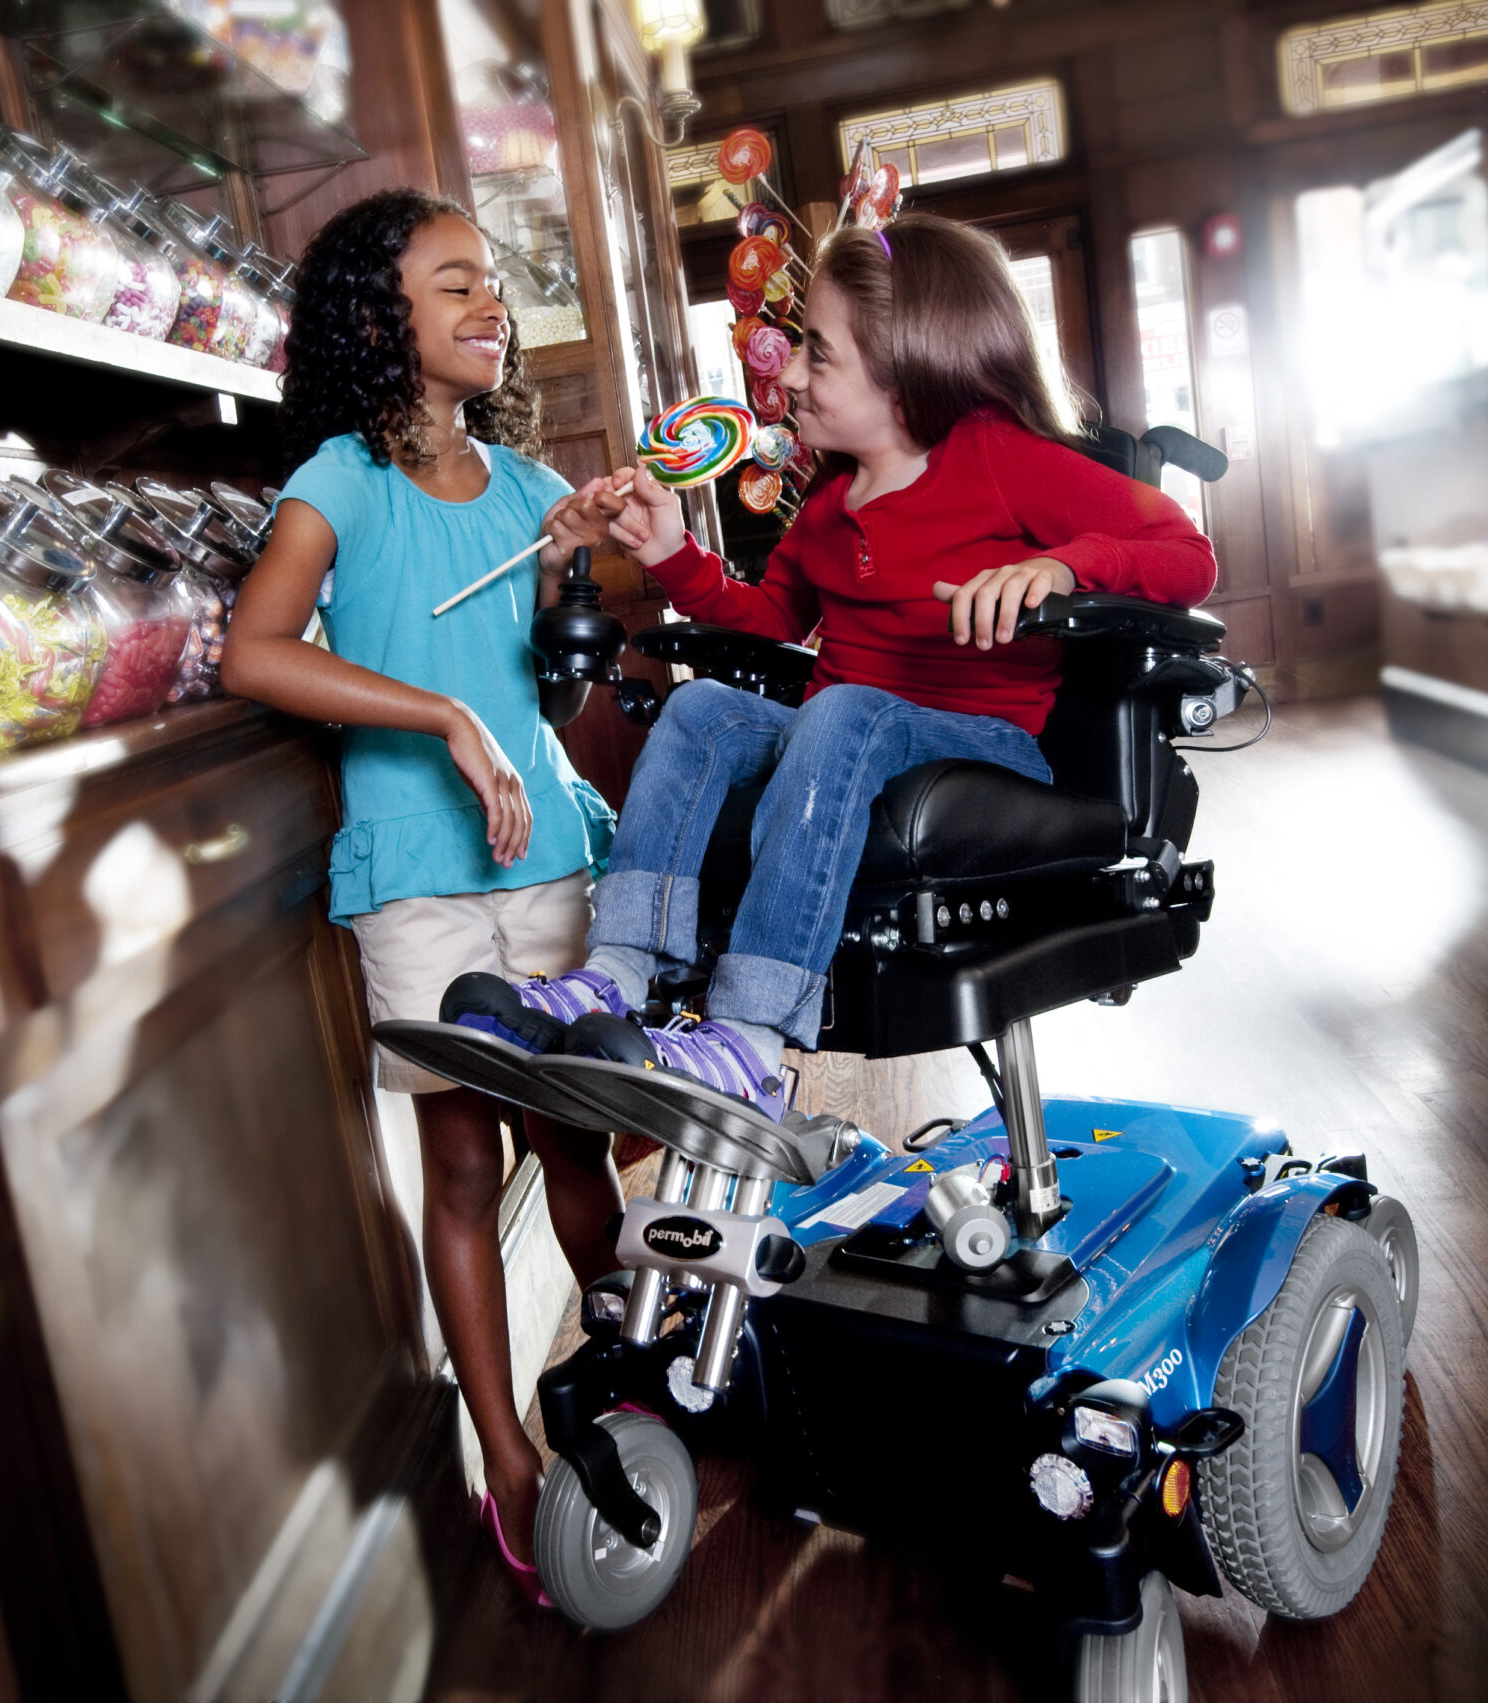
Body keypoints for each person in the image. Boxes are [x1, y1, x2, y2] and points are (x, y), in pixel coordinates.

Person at [448, 211, 1216, 1114]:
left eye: (818, 354)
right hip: (841, 733)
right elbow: (767, 618)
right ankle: (618, 972)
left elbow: (1184, 551)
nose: (789, 376)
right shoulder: (831, 499)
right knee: (700, 711)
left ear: (907, 374)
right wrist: (668, 551)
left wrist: (1061, 566)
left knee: (843, 710)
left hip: (985, 746)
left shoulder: (999, 460)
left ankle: (750, 1038)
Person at [219, 188, 630, 1603]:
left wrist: (578, 555)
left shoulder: (524, 488)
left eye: (492, 281)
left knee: (579, 1146)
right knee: (463, 1164)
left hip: (549, 851)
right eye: (454, 283)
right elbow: (256, 653)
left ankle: (633, 1387)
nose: (488, 302)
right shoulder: (336, 477)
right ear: (378, 320)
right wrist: (441, 719)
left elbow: (550, 681)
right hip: (416, 873)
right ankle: (507, 1459)